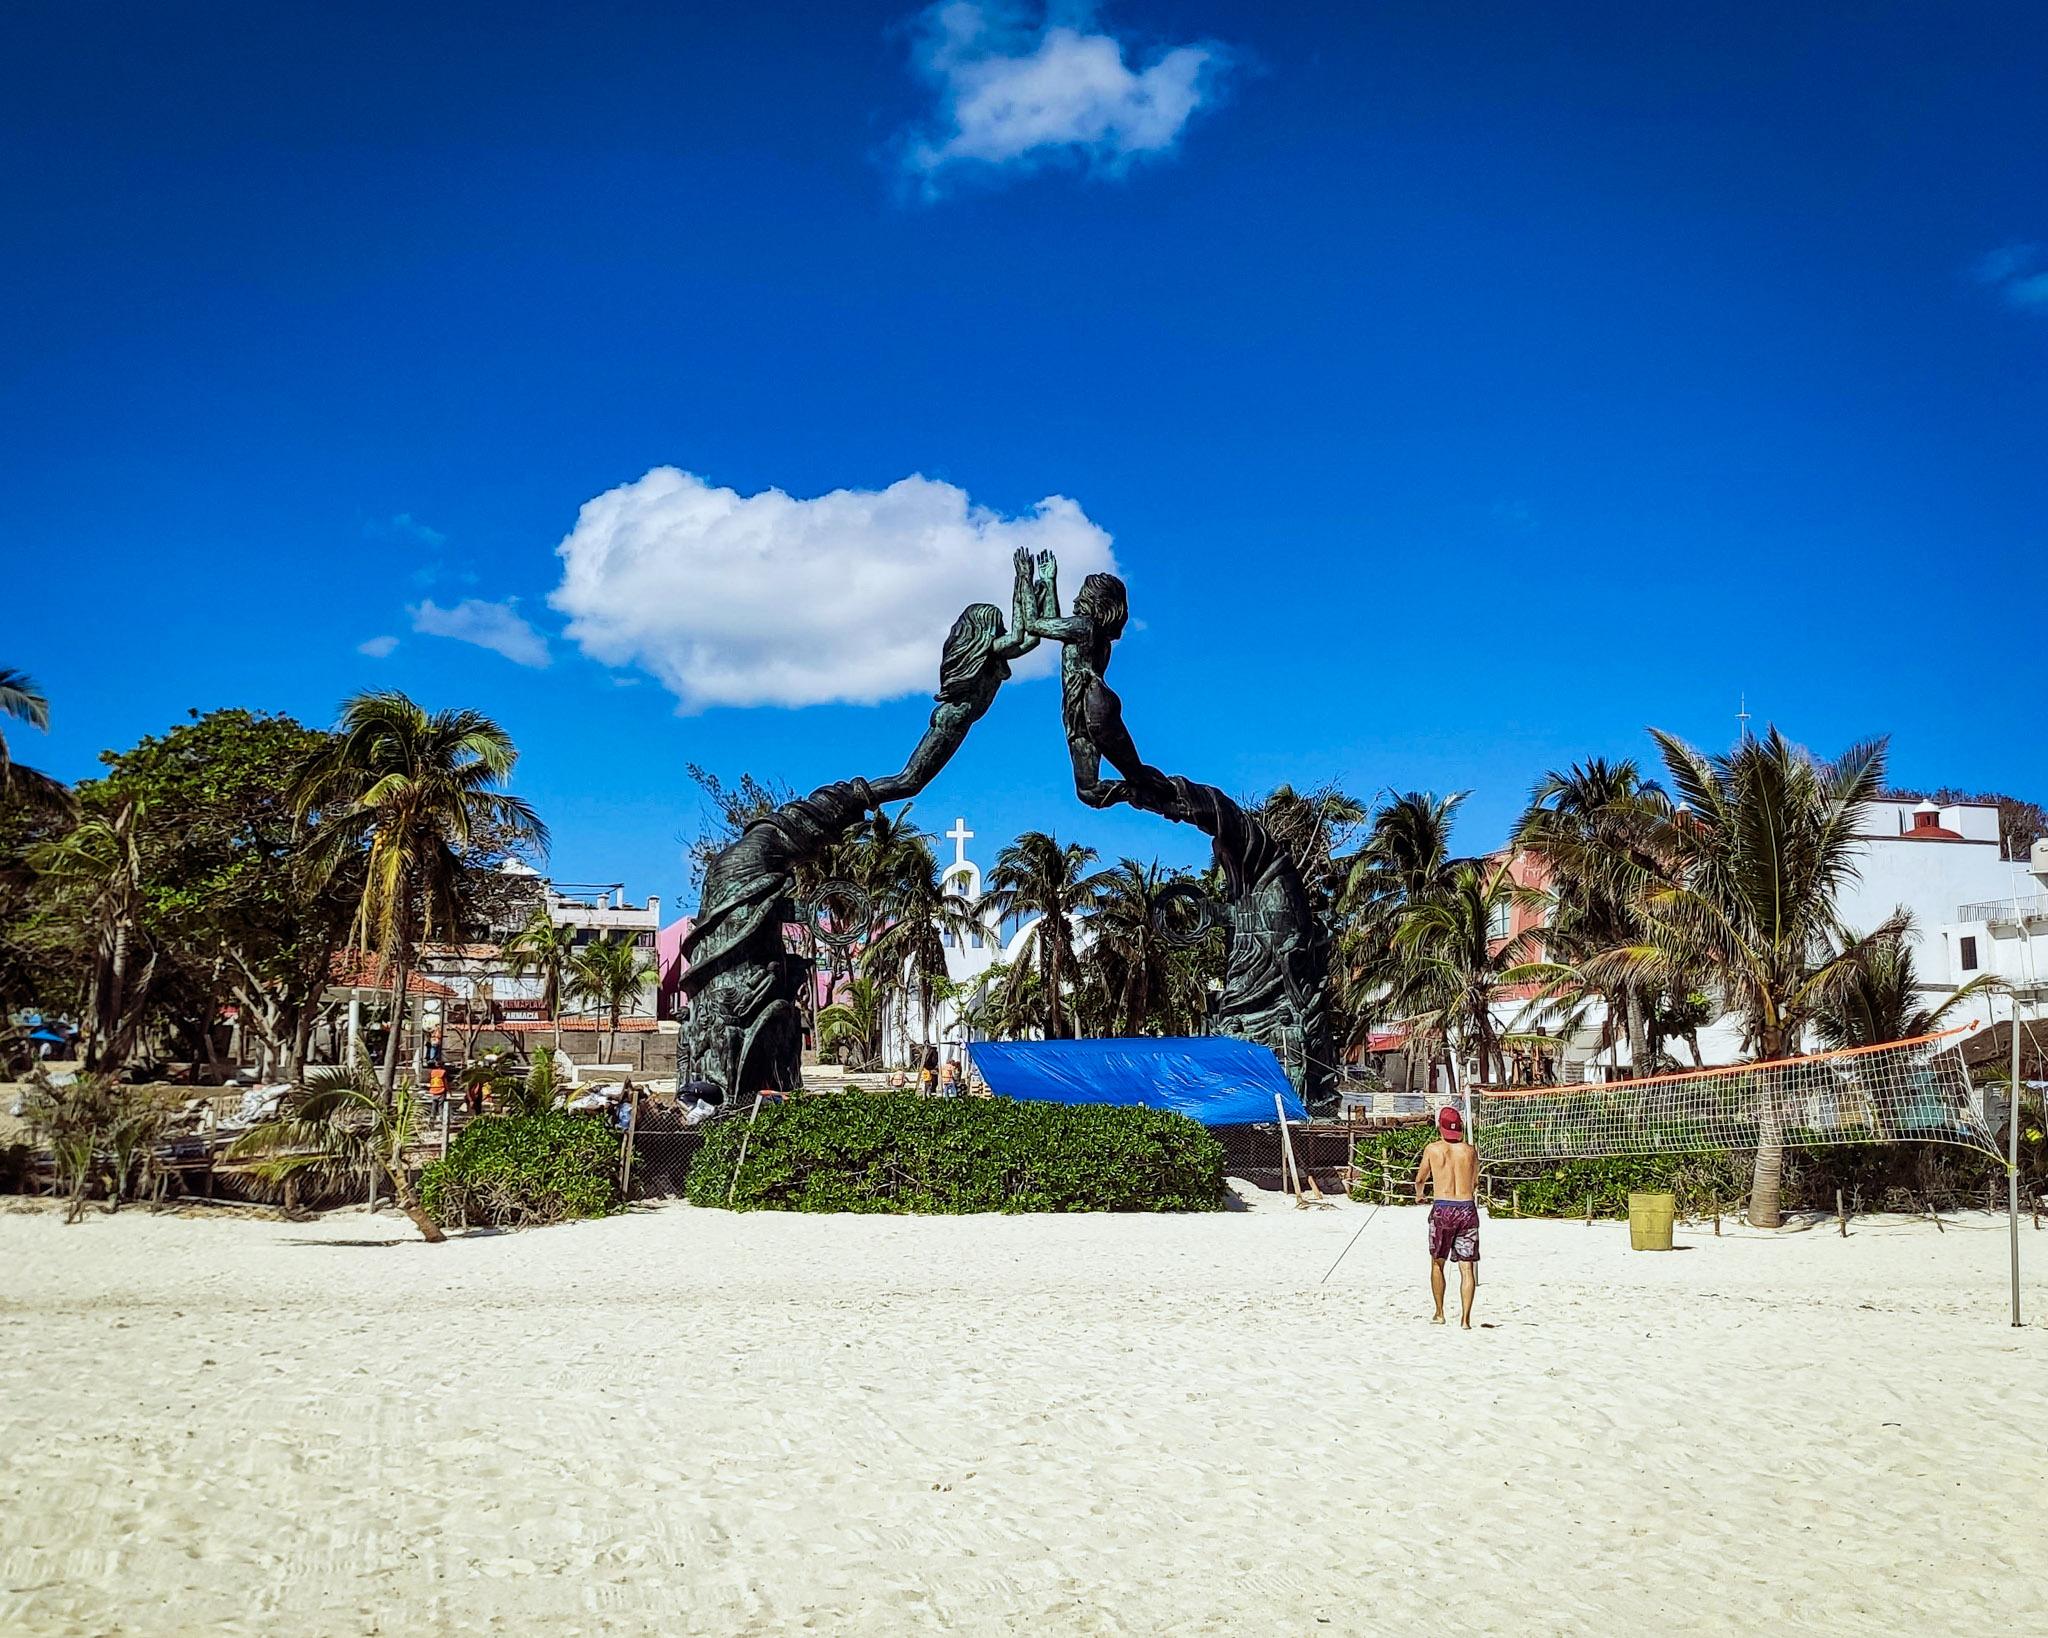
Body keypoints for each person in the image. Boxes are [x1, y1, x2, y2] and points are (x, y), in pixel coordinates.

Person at [1414, 1104, 1481, 1328]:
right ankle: (1465, 1320)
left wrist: (1419, 1196)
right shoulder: (1470, 1150)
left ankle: (1440, 1312)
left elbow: (1420, 1179)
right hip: (1466, 1207)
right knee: (1467, 1266)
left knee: (1437, 1263)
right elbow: (1475, 1181)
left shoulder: (1432, 1149)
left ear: (1439, 1127)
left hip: (1443, 1207)